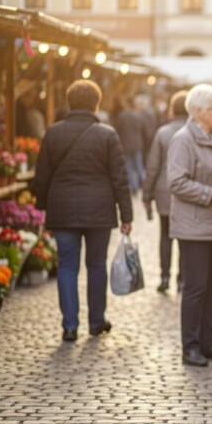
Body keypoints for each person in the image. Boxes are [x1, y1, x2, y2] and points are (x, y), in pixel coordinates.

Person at [34, 80, 133, 342]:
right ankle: (96, 321)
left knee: (67, 266)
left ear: (69, 102)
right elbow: (120, 179)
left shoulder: (53, 133)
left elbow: (41, 176)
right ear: (96, 103)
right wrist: (127, 215)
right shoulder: (107, 135)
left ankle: (69, 326)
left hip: (63, 208)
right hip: (99, 209)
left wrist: (42, 208)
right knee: (96, 265)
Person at [167, 84, 212, 367]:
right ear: (197, 111)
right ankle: (191, 346)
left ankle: (209, 343)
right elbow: (176, 182)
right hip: (194, 228)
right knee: (196, 288)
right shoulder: (183, 140)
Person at [143, 90, 187, 294]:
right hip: (185, 193)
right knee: (185, 238)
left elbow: (152, 166)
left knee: (165, 236)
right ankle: (182, 279)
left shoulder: (163, 132)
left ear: (172, 110)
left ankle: (164, 276)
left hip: (164, 190)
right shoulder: (193, 132)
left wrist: (147, 194)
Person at [114, 96, 148, 195]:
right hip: (137, 144)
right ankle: (144, 185)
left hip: (125, 145)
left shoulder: (122, 116)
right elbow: (144, 131)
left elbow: (117, 130)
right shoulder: (138, 116)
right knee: (139, 166)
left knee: (129, 167)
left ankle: (133, 186)